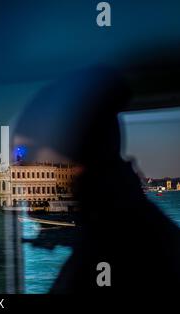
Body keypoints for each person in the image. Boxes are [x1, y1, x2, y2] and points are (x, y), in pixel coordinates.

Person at [15, 65, 180, 293]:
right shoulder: (132, 234)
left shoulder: (110, 260)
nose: (17, 172)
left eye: (23, 153)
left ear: (77, 158)